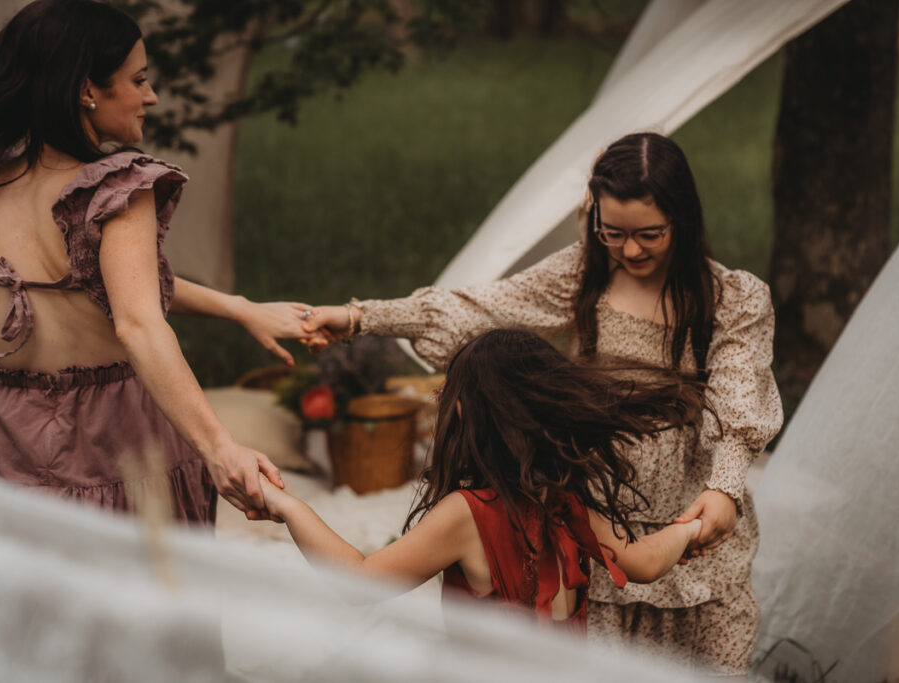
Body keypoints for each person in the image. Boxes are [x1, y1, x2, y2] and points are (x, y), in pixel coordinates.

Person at [303, 132, 783, 674]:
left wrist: (724, 486)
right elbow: (481, 308)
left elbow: (738, 395)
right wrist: (359, 319)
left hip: (696, 510)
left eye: (650, 234)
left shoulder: (733, 297)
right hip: (604, 512)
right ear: (593, 216)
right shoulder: (584, 275)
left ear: (684, 220)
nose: (630, 250)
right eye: (613, 233)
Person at [0, 0, 317, 523]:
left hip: (11, 442)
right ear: (87, 90)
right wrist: (220, 448)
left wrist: (239, 308)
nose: (152, 96)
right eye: (139, 79)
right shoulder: (114, 185)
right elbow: (140, 323)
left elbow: (102, 282)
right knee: (144, 595)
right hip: (116, 442)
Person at [259, 328, 704, 632]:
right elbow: (645, 562)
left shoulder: (469, 514)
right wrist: (693, 528)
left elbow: (358, 582)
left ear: (466, 412)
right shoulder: (567, 502)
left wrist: (288, 507)